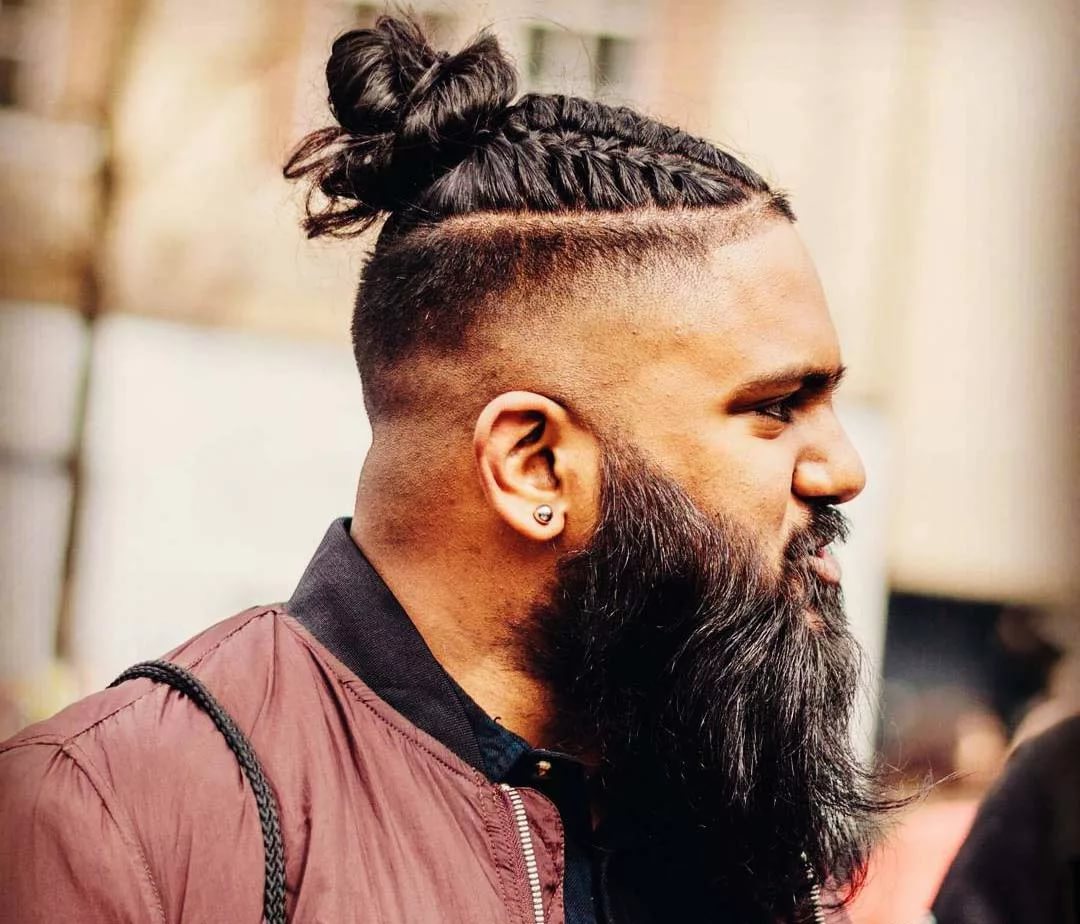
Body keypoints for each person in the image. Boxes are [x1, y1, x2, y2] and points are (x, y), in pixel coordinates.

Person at [0, 15, 895, 923]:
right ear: (534, 466)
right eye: (776, 406)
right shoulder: (104, 820)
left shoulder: (730, 840)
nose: (843, 469)